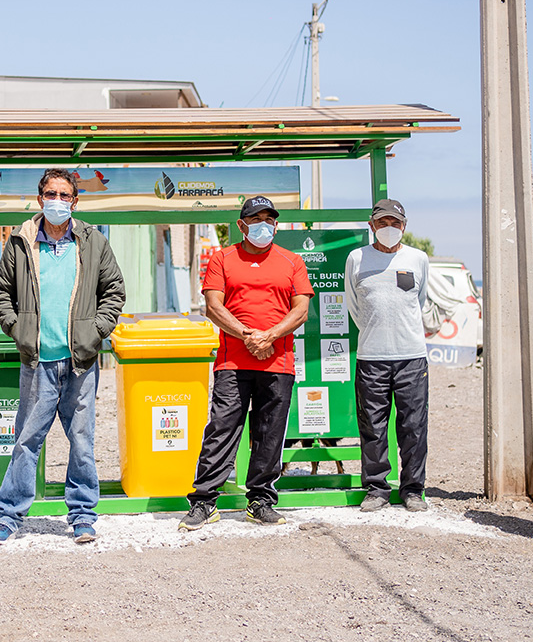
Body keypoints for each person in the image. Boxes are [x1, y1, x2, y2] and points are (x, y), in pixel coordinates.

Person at [0, 168, 126, 545]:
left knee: (82, 442)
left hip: (80, 361)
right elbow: (2, 290)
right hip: (38, 361)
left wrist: (96, 330)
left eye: (65, 196)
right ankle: (9, 516)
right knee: (27, 440)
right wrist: (16, 328)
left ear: (75, 201)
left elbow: (114, 289)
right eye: (51, 194)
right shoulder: (22, 240)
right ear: (40, 198)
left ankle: (82, 515)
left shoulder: (93, 241)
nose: (58, 202)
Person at [179, 195, 313, 530]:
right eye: (256, 219)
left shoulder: (292, 261)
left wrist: (270, 336)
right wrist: (249, 335)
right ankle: (204, 501)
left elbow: (301, 310)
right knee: (222, 429)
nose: (264, 225)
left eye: (269, 219)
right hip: (233, 363)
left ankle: (260, 501)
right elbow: (213, 306)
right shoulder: (223, 259)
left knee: (269, 434)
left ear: (276, 224)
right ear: (241, 225)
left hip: (278, 363)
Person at [344, 198, 432, 513]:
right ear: (372, 226)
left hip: (412, 357)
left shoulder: (418, 259)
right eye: (383, 223)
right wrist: (375, 332)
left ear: (404, 226)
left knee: (413, 428)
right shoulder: (356, 258)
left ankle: (412, 490)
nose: (389, 229)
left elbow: (418, 302)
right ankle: (377, 490)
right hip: (371, 357)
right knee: (372, 428)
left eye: (395, 223)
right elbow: (354, 305)